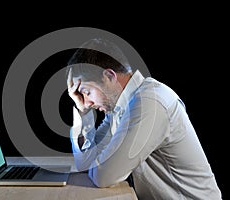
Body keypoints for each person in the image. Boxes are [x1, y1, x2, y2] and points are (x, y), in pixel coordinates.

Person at [66, 38, 222, 199]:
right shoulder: (119, 108)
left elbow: (104, 177)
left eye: (87, 92)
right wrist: (83, 112)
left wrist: (99, 166)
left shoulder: (150, 103)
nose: (87, 102)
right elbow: (85, 164)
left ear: (109, 76)